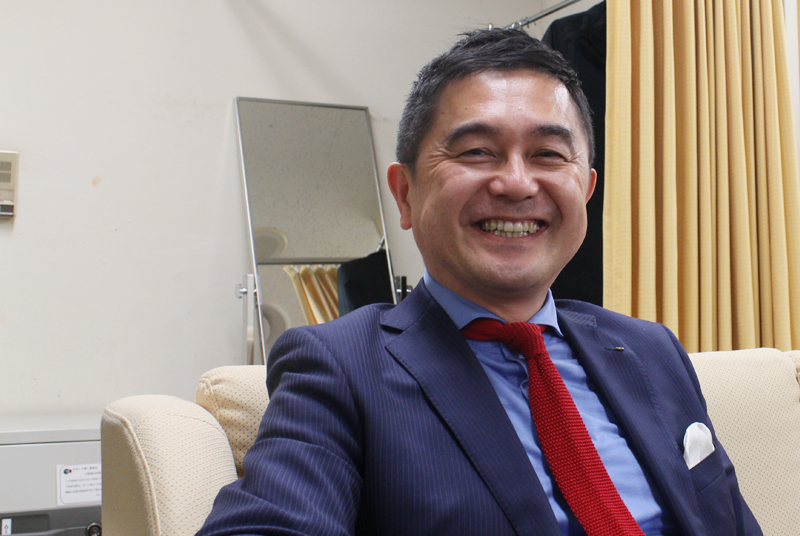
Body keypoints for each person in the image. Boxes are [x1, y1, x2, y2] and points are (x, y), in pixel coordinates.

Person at [197, 29, 761, 535]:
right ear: (405, 194)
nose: (516, 183)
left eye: (548, 154)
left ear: (587, 192)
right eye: (476, 152)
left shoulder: (650, 348)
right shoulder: (339, 367)